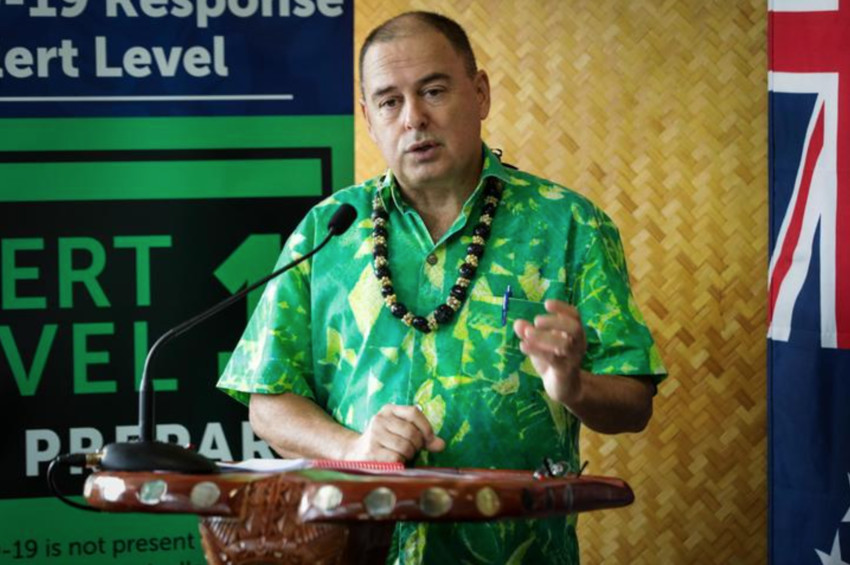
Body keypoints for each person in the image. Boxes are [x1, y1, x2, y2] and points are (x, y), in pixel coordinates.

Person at [217, 10, 666, 564]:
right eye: (389, 101)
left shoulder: (568, 226)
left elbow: (633, 403)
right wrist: (354, 448)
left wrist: (574, 386)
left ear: (479, 94)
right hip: (355, 549)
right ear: (369, 118)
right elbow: (268, 403)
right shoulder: (328, 229)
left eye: (433, 91)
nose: (414, 118)